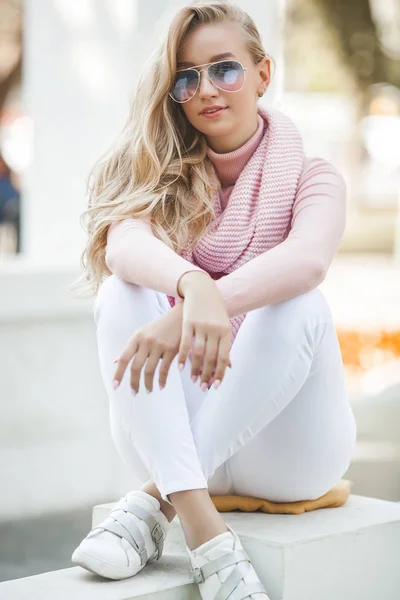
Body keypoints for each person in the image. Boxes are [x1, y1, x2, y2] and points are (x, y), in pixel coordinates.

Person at [70, 1, 357, 598]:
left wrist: (207, 304)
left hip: (289, 451)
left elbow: (308, 261)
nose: (206, 89)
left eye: (223, 68)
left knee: (300, 302)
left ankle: (155, 503)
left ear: (263, 74)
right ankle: (208, 537)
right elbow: (123, 248)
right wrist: (192, 287)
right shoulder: (158, 179)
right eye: (187, 76)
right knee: (123, 291)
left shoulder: (314, 176)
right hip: (181, 427)